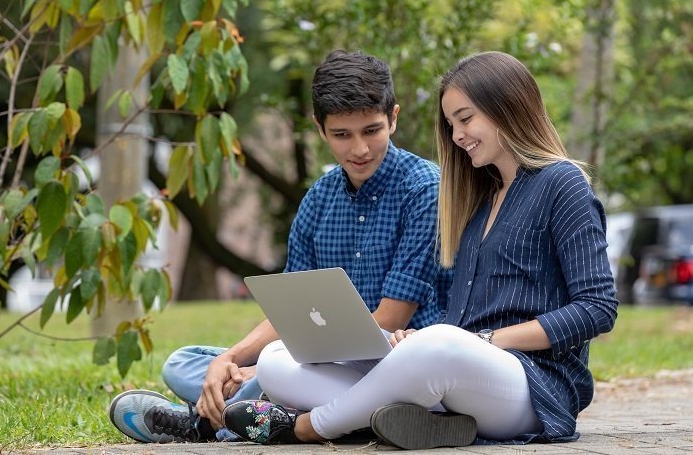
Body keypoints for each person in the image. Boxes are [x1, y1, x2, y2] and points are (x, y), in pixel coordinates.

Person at [221, 51, 619, 449]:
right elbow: (460, 319)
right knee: (276, 361)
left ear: (508, 108)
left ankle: (307, 426)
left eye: (465, 119)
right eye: (451, 124)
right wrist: (411, 342)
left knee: (438, 344)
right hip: (457, 375)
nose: (458, 135)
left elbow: (598, 308)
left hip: (534, 385)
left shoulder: (562, 183)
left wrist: (483, 341)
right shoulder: (480, 199)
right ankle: (414, 421)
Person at [107, 50, 453, 443]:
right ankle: (260, 412)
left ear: (393, 117)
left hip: (396, 364)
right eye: (342, 135)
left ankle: (203, 423)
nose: (359, 149)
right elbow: (294, 315)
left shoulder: (425, 190)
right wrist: (231, 360)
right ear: (319, 129)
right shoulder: (318, 200)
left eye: (371, 130)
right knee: (182, 363)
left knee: (273, 367)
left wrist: (268, 367)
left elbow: (390, 318)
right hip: (319, 363)